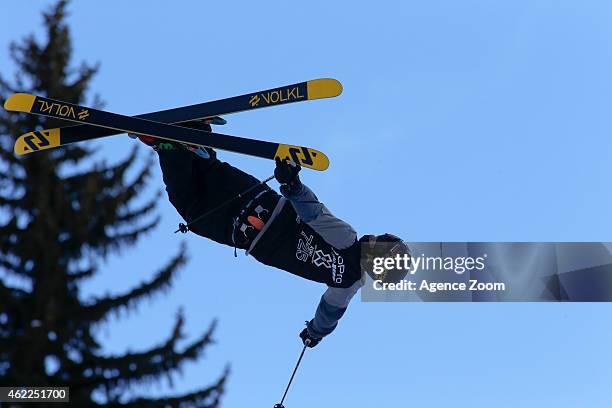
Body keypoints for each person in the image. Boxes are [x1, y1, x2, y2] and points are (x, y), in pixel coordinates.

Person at [134, 121, 410, 347]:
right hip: (245, 232)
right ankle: (171, 146)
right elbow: (329, 315)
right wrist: (315, 334)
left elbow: (314, 213)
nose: (376, 236)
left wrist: (292, 185)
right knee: (191, 204)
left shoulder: (348, 240)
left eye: (382, 239)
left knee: (211, 175)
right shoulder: (347, 285)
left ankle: (196, 143)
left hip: (260, 202)